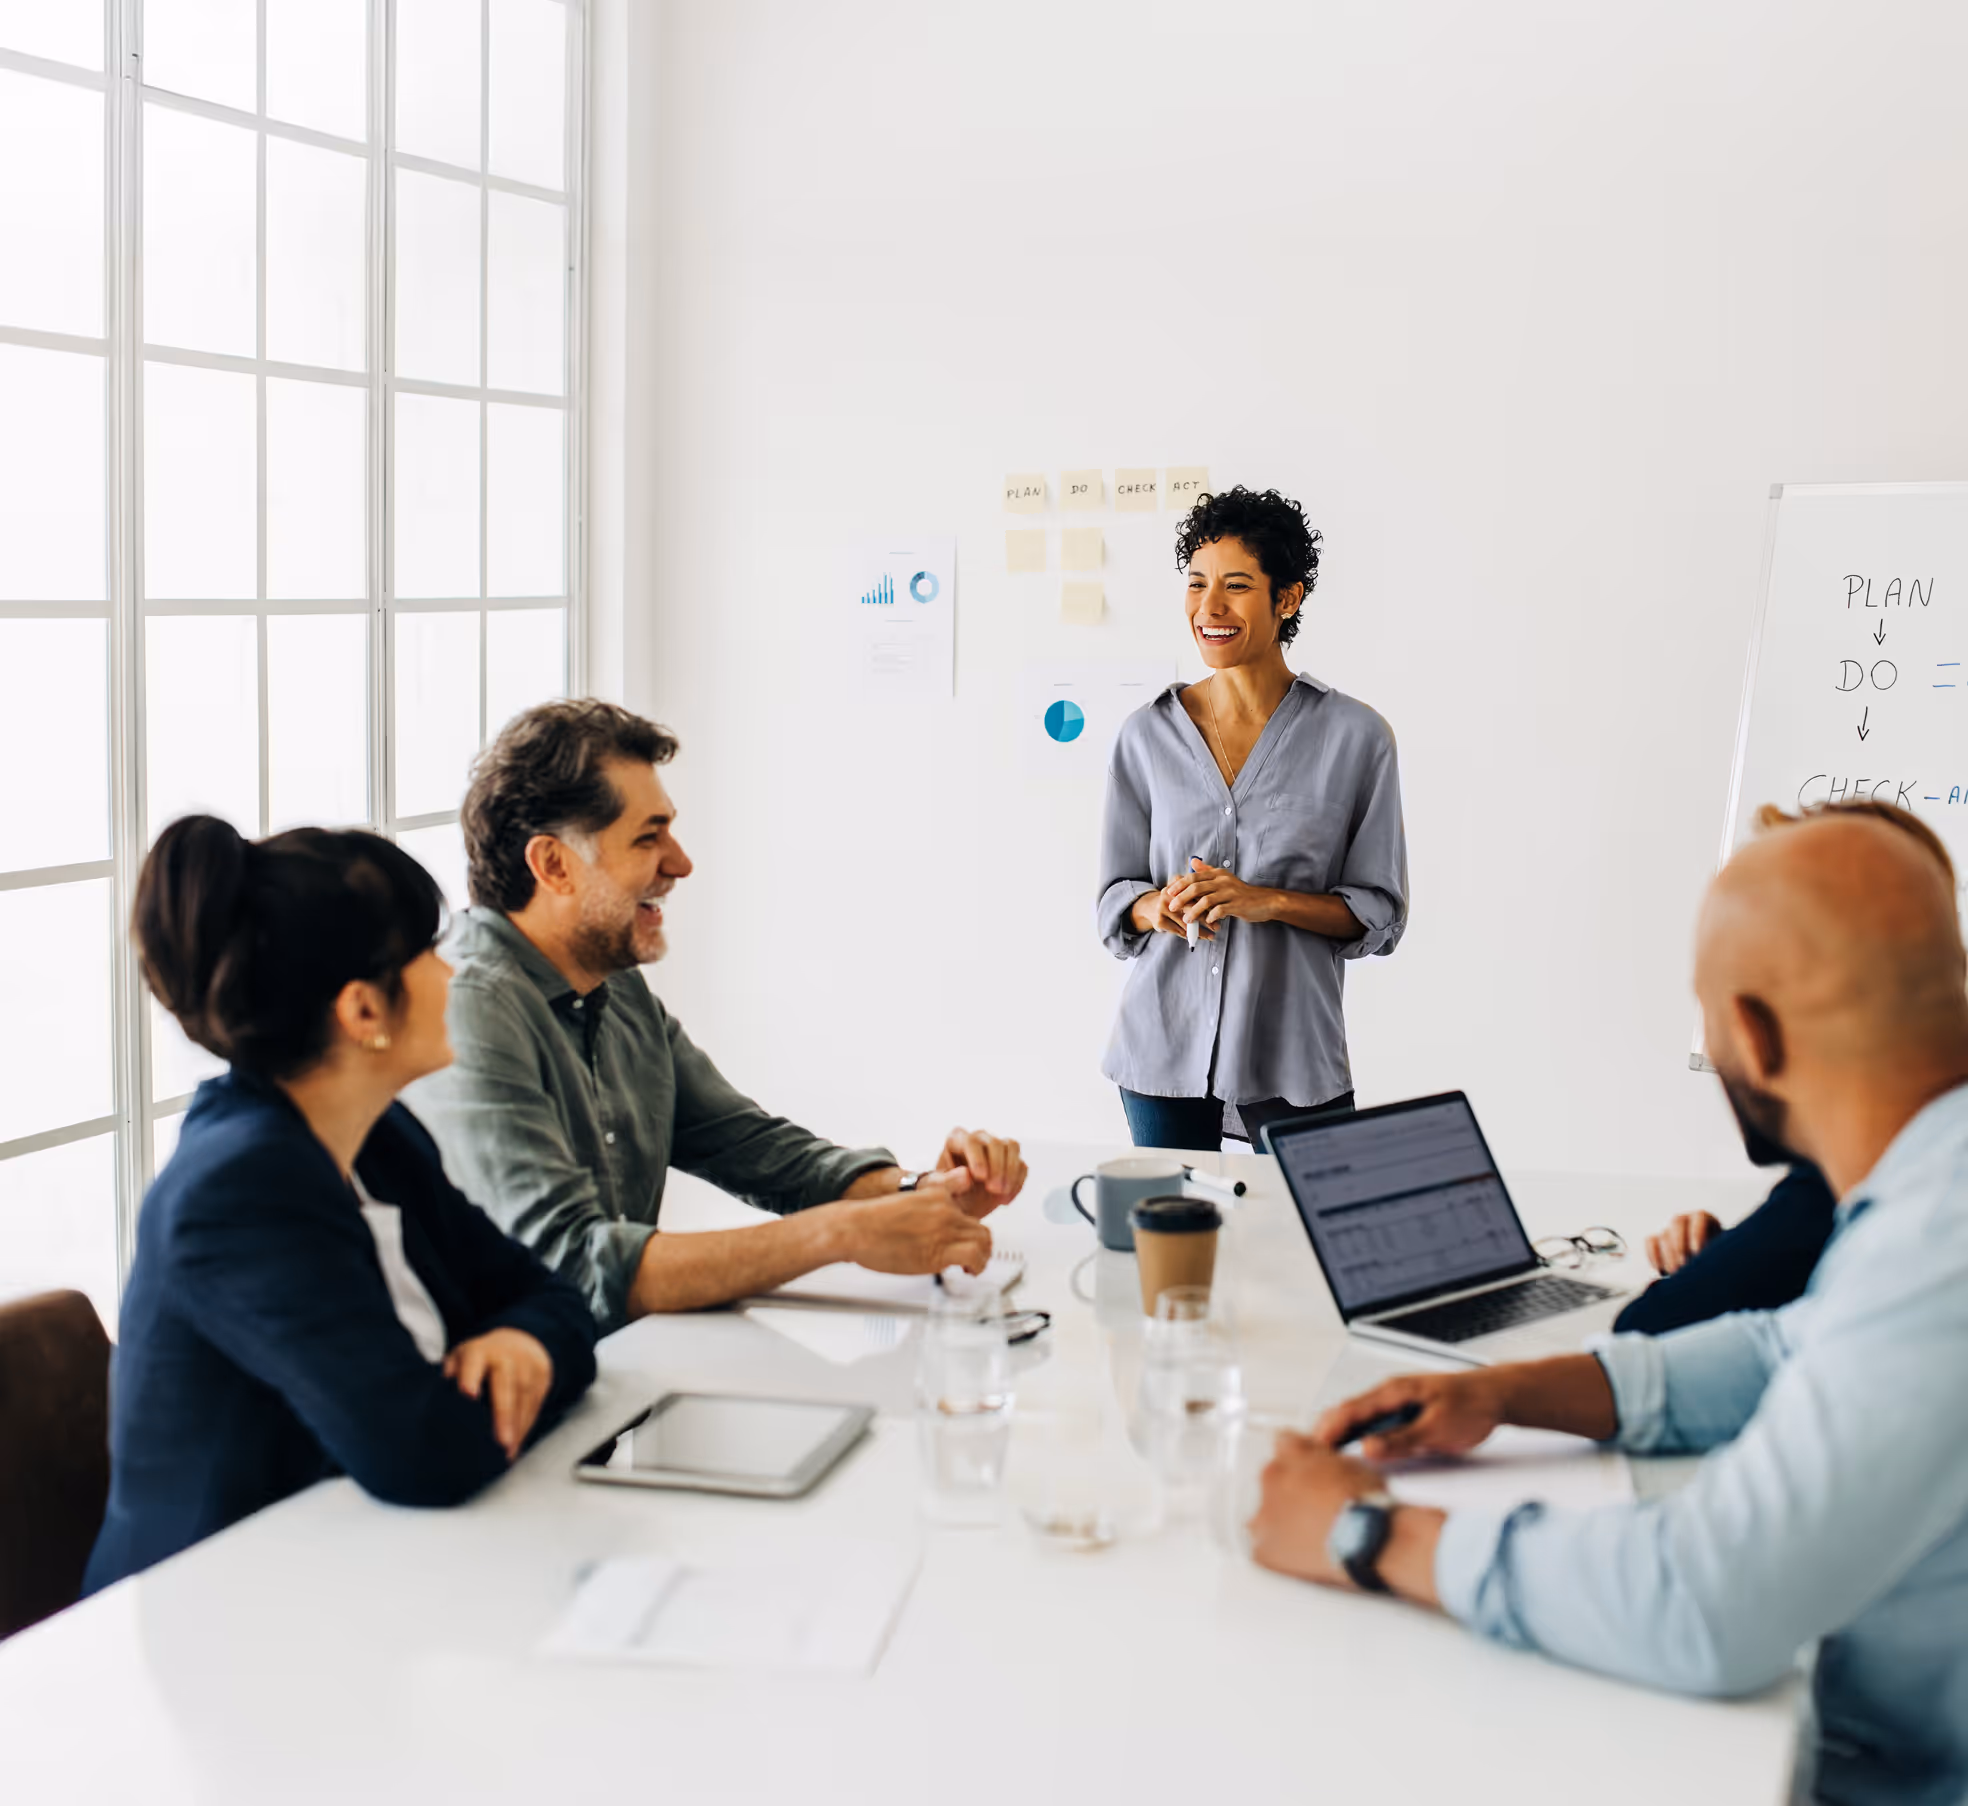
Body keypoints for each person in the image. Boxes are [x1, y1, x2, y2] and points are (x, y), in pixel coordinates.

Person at [1246, 801, 1968, 1806]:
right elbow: (1783, 1349)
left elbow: (1708, 1602)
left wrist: (1367, 1534)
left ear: (1753, 1036)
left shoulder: (1939, 1237)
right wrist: (1508, 1394)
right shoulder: (1931, 1183)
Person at [86, 819, 597, 1593]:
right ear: (363, 1012)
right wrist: (523, 1361)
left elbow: (555, 1296)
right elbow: (423, 1453)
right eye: (429, 952)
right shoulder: (238, 1192)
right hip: (222, 1611)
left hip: (364, 1567)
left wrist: (524, 1344)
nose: (451, 971)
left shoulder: (378, 1136)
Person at [405, 700, 1028, 1333]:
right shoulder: (469, 1008)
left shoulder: (616, 988)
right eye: (648, 837)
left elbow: (756, 1149)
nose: (681, 862)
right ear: (553, 865)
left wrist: (922, 1192)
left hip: (615, 1375)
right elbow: (575, 1267)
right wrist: (841, 1234)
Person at [1096, 486, 1407, 1151]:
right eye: (1196, 584)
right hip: (1162, 1046)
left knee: (1306, 1215)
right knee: (1175, 1219)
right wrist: (1157, 908)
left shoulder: (1357, 738)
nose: (1209, 608)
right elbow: (1114, 900)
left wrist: (1265, 901)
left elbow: (1379, 915)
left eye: (1235, 586)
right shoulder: (1145, 735)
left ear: (1287, 598)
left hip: (1292, 1049)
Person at [1617, 805, 1957, 1337]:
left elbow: (1649, 1329)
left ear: (1752, 1034)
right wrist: (1730, 1253)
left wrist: (1729, 1270)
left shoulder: (1844, 1192)